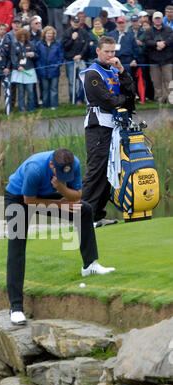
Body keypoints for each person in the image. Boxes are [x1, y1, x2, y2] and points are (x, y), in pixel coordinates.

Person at [4, 147, 116, 325]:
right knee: (17, 245)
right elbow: (29, 201)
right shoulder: (35, 169)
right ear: (52, 165)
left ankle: (89, 265)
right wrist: (59, 204)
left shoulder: (74, 164)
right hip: (19, 197)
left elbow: (77, 196)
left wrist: (61, 187)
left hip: (49, 193)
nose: (67, 175)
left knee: (84, 210)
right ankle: (16, 307)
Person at [79, 35, 135, 226]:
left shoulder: (113, 70)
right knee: (96, 171)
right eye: (107, 52)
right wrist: (124, 100)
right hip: (98, 127)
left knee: (110, 171)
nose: (111, 56)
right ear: (98, 51)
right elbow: (109, 101)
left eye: (113, 52)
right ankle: (84, 218)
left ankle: (97, 216)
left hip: (114, 126)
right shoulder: (92, 74)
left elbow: (131, 91)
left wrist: (121, 70)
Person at [144, 11, 173, 104]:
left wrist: (164, 43)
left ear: (162, 19)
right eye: (156, 18)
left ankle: (170, 99)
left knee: (169, 81)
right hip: (154, 60)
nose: (157, 20)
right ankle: (159, 99)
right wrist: (156, 44)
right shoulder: (149, 31)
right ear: (153, 20)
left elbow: (171, 39)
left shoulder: (168, 29)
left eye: (159, 18)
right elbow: (147, 41)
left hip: (167, 60)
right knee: (156, 82)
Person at [61, 16, 89, 105]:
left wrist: (80, 55)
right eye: (74, 21)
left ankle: (80, 100)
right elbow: (64, 46)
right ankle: (72, 100)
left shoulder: (84, 32)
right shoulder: (66, 33)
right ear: (71, 22)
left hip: (81, 60)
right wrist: (72, 39)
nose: (76, 23)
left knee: (81, 81)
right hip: (70, 60)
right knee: (71, 81)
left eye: (77, 21)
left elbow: (86, 46)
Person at [36, 25, 63, 110]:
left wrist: (58, 65)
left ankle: (54, 105)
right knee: (45, 89)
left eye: (51, 33)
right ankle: (45, 105)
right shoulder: (39, 44)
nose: (49, 35)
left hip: (54, 70)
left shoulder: (57, 43)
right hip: (43, 70)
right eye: (48, 33)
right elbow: (37, 57)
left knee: (54, 89)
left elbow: (61, 56)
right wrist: (40, 67)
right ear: (44, 34)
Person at [10, 27, 37, 112]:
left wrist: (32, 54)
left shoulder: (31, 44)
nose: (22, 37)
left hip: (29, 70)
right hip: (19, 71)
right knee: (21, 92)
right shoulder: (14, 45)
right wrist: (17, 66)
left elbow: (37, 56)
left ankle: (31, 108)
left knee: (30, 91)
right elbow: (13, 57)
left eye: (24, 36)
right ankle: (21, 109)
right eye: (21, 36)